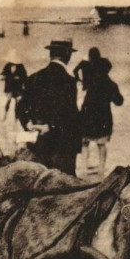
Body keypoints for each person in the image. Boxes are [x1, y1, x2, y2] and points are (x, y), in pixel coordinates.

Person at [16, 38, 82, 176]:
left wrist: (28, 124)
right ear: (67, 55)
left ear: (50, 54)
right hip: (62, 144)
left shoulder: (34, 77)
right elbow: (69, 114)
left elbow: (21, 107)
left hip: (38, 142)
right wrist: (50, 126)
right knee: (63, 186)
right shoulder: (68, 81)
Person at [79, 59, 124, 176]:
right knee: (101, 144)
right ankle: (101, 169)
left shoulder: (91, 83)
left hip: (87, 117)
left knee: (85, 143)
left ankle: (83, 168)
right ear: (108, 70)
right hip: (103, 119)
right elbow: (119, 101)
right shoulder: (111, 85)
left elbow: (85, 101)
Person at [0, 53, 27, 121]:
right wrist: (2, 77)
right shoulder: (8, 65)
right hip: (9, 87)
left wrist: (19, 78)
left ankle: (16, 119)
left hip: (18, 87)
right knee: (8, 101)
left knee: (17, 104)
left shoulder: (20, 66)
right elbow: (3, 73)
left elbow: (25, 77)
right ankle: (5, 116)